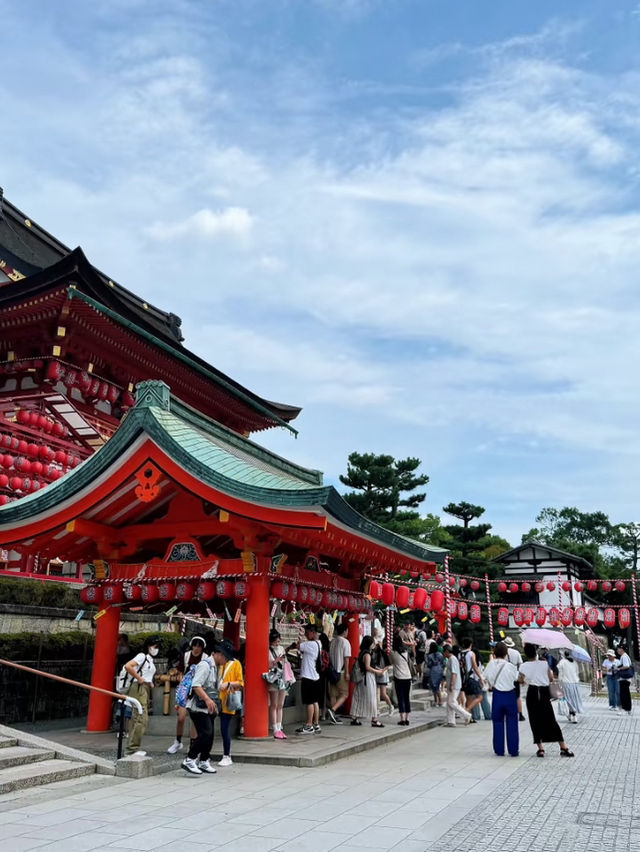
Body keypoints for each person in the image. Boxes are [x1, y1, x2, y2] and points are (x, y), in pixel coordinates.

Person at [519, 643, 574, 757]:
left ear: (526, 654)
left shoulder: (523, 666)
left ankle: (541, 749)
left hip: (532, 692)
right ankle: (563, 747)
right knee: (551, 719)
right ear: (536, 652)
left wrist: (527, 679)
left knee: (535, 720)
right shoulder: (544, 664)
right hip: (544, 693)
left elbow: (521, 680)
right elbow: (550, 678)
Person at [168, 636, 208, 754]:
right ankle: (178, 741)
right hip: (185, 688)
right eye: (194, 645)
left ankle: (192, 744)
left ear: (202, 648)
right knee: (181, 718)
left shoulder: (205, 658)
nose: (196, 648)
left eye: (199, 646)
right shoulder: (186, 656)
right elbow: (180, 671)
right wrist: (182, 683)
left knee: (194, 719)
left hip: (198, 688)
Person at [181, 650, 219, 775]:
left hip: (208, 707)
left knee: (210, 734)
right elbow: (196, 685)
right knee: (205, 733)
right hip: (198, 706)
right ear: (219, 654)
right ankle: (190, 759)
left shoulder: (214, 667)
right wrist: (208, 700)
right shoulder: (205, 665)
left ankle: (204, 760)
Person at [124, 636, 160, 757]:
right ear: (148, 646)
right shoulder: (142, 656)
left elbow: (146, 672)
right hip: (138, 687)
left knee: (138, 717)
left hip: (144, 687)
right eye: (155, 646)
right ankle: (132, 749)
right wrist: (139, 678)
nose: (156, 648)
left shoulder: (149, 659)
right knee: (141, 717)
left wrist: (149, 681)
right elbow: (128, 666)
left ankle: (132, 747)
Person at [483, 641, 519, 757]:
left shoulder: (490, 664)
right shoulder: (510, 666)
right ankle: (513, 750)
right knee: (512, 722)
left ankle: (499, 749)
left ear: (494, 652)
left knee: (497, 723)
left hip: (497, 695)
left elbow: (484, 677)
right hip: (510, 695)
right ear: (506, 653)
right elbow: (517, 678)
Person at [213, 639, 244, 766]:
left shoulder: (236, 664)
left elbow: (241, 683)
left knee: (224, 728)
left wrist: (229, 684)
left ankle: (227, 755)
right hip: (215, 698)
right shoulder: (216, 663)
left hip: (227, 699)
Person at [290, 623, 322, 735]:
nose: (306, 635)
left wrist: (298, 640)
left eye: (307, 632)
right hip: (315, 676)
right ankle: (316, 723)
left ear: (313, 633)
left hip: (308, 676)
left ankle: (309, 725)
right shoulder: (319, 643)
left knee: (309, 702)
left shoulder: (310, 644)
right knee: (314, 701)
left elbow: (298, 646)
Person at [351, 635, 385, 727]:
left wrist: (377, 669)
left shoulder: (362, 653)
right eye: (373, 643)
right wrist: (378, 671)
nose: (374, 645)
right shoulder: (367, 654)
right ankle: (374, 719)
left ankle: (355, 718)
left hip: (362, 679)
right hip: (367, 678)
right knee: (371, 698)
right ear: (369, 644)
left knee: (358, 697)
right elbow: (368, 667)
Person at [327, 622, 352, 723]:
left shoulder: (333, 641)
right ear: (345, 631)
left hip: (332, 671)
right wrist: (347, 672)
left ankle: (333, 715)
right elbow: (346, 659)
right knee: (345, 694)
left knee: (333, 694)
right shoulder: (345, 642)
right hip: (340, 671)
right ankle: (333, 710)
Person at [443, 645, 472, 727]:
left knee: (451, 702)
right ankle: (451, 721)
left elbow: (454, 673)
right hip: (452, 684)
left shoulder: (452, 659)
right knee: (450, 703)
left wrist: (452, 684)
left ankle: (466, 715)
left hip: (454, 684)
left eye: (444, 652)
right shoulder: (451, 659)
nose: (443, 654)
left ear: (447, 652)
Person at [267, 629, 288, 739]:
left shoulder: (281, 648)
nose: (278, 643)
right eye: (276, 641)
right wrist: (275, 661)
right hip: (274, 678)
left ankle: (279, 727)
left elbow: (285, 662)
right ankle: (275, 727)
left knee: (280, 704)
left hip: (282, 677)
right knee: (274, 704)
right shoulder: (268, 650)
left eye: (279, 641)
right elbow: (268, 665)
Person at [391, 633, 412, 726]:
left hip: (399, 677)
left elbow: (391, 662)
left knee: (401, 698)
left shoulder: (393, 653)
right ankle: (407, 718)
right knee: (407, 698)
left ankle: (402, 719)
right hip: (408, 676)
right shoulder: (406, 652)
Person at [557, 650, 583, 723]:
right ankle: (572, 714)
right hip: (575, 683)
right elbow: (577, 673)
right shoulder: (574, 662)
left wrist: (559, 684)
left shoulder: (562, 662)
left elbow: (560, 675)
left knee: (568, 699)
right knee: (574, 699)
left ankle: (573, 714)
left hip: (566, 683)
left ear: (563, 655)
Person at [461, 638, 485, 719]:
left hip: (463, 679)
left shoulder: (460, 654)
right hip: (471, 678)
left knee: (469, 698)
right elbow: (475, 666)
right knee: (480, 696)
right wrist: (481, 677)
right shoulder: (471, 653)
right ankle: (466, 710)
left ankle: (468, 718)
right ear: (470, 644)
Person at [503, 637, 525, 721]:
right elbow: (521, 665)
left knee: (506, 695)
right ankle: (520, 714)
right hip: (515, 676)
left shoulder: (502, 652)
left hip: (505, 676)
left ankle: (507, 713)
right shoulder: (516, 653)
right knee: (517, 696)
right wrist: (521, 676)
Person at [372, 634, 394, 716]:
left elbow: (388, 665)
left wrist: (382, 671)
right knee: (376, 693)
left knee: (383, 694)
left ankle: (390, 706)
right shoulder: (372, 654)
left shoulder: (383, 654)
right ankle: (376, 710)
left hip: (382, 675)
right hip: (376, 674)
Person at [424, 641, 445, 706]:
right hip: (439, 670)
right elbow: (443, 663)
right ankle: (440, 700)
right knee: (438, 686)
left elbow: (429, 664)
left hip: (433, 670)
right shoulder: (440, 654)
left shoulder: (430, 656)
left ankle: (436, 700)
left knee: (433, 686)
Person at [616, 645, 634, 715]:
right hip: (625, 679)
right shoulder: (625, 656)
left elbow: (626, 666)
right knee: (625, 694)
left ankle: (625, 709)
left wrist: (619, 668)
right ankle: (628, 709)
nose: (618, 651)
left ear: (622, 649)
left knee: (624, 694)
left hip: (624, 678)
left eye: (618, 649)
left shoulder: (624, 656)